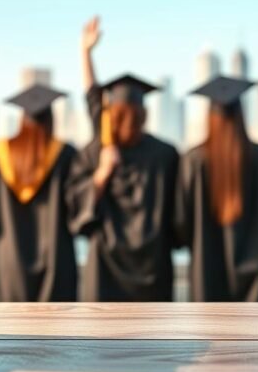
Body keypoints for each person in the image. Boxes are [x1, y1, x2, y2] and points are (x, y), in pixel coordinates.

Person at [71, 16, 180, 301]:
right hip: (154, 269)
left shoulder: (98, 151)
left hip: (105, 269)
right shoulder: (166, 154)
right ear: (144, 113)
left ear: (110, 113)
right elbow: (179, 220)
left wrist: (85, 52)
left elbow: (93, 99)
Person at [175, 76, 258, 302]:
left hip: (206, 277)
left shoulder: (193, 161)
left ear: (210, 117)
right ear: (242, 115)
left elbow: (181, 223)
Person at [0, 83, 80, 301]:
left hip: (9, 259)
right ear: (51, 119)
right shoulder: (66, 154)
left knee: (14, 329)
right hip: (57, 261)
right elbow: (77, 207)